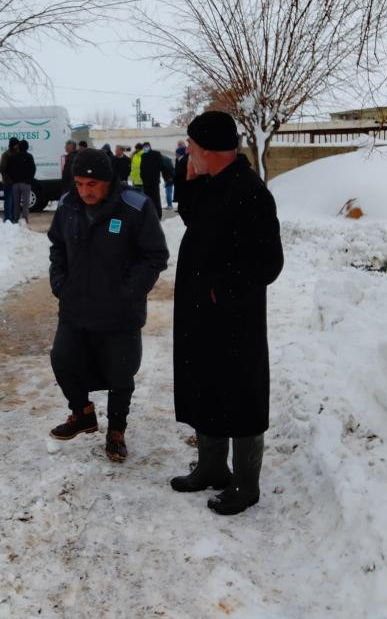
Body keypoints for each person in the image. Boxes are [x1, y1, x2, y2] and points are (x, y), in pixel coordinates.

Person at [170, 111, 283, 516]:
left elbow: (269, 263)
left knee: (241, 394)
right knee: (205, 384)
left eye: (191, 148)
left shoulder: (250, 193)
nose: (187, 153)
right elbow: (193, 218)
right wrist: (189, 178)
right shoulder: (210, 182)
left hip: (234, 318)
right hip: (201, 312)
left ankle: (246, 484)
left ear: (209, 149)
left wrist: (222, 290)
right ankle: (212, 467)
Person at [48, 148, 168, 462]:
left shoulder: (136, 206)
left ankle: (116, 431)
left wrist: (129, 290)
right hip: (76, 306)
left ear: (107, 180)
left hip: (119, 312)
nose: (85, 191)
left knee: (120, 373)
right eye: (79, 184)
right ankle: (83, 413)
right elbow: (57, 247)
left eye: (92, 184)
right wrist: (60, 283)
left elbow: (155, 256)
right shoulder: (66, 205)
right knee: (63, 359)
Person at [5, 138, 36, 224]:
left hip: (15, 183)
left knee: (16, 203)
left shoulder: (12, 157)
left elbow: (8, 169)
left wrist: (12, 178)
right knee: (25, 203)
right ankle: (25, 219)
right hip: (26, 184)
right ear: (27, 147)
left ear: (19, 147)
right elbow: (33, 169)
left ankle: (16, 219)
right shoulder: (29, 157)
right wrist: (30, 179)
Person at [139, 142, 171, 220]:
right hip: (146, 182)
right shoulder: (143, 155)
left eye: (146, 147)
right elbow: (142, 168)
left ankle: (158, 215)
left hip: (154, 181)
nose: (145, 148)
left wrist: (167, 176)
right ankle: (149, 214)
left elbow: (162, 166)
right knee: (148, 199)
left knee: (156, 199)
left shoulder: (156, 154)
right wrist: (142, 177)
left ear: (150, 147)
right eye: (144, 147)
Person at [0, 137, 20, 222]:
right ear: (13, 145)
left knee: (14, 201)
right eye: (16, 144)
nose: (18, 146)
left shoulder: (17, 154)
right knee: (8, 200)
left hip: (16, 181)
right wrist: (8, 178)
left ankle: (14, 218)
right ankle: (8, 218)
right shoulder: (6, 154)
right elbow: (2, 168)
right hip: (8, 182)